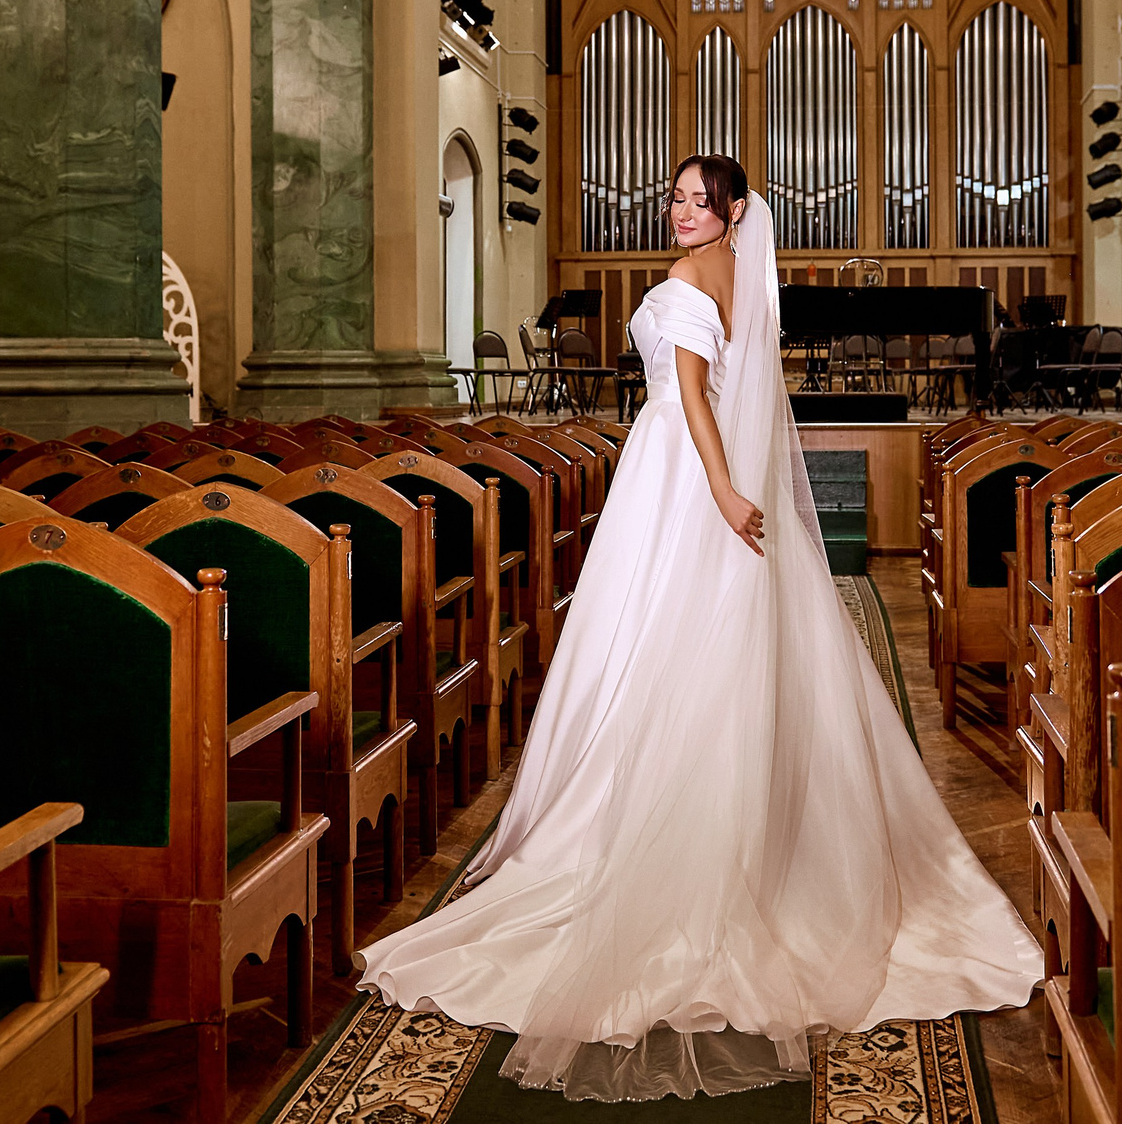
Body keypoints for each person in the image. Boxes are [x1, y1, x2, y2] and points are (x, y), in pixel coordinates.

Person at [355, 154, 1042, 1102]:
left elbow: (685, 394)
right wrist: (732, 481)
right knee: (708, 646)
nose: (680, 212)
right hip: (700, 472)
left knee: (657, 645)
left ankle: (664, 839)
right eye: (674, 198)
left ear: (730, 214)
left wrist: (720, 488)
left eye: (697, 201)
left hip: (682, 476)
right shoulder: (737, 274)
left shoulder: (685, 280)